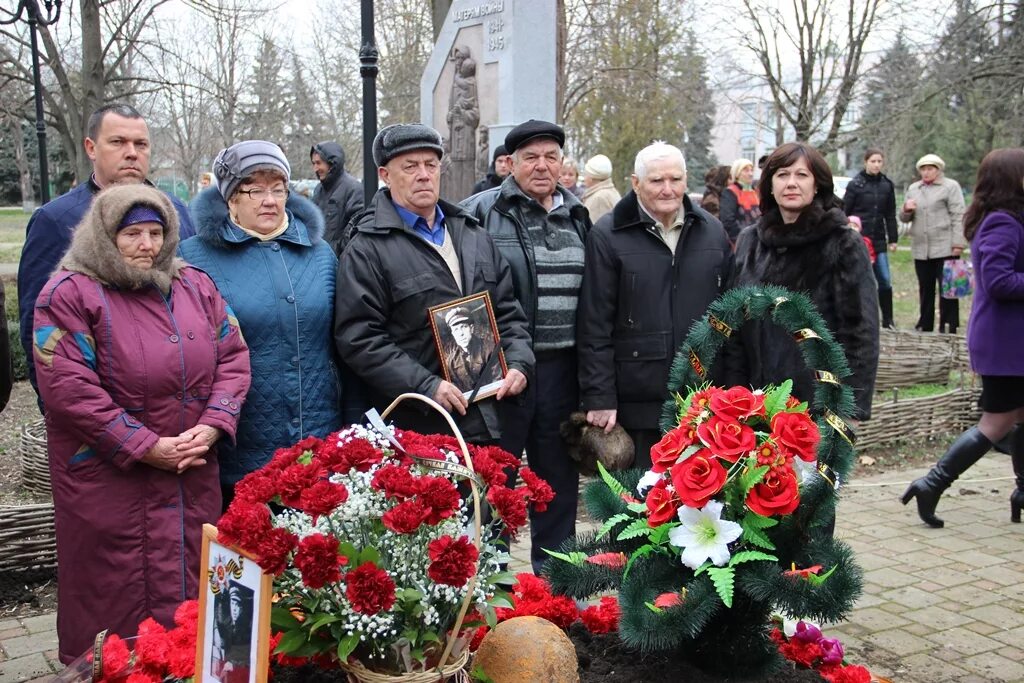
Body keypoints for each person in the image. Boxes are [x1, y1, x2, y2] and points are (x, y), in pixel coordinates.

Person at [33, 184, 250, 663]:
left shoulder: (195, 285)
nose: (147, 245)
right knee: (114, 599)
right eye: (132, 234)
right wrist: (145, 445)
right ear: (105, 235)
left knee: (190, 594)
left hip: (190, 472)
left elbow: (233, 356)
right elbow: (69, 388)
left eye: (156, 233)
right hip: (111, 481)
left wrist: (214, 424)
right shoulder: (69, 295)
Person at [335, 123, 533, 444]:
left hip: (495, 416)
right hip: (424, 425)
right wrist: (426, 386)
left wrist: (520, 364)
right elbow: (359, 338)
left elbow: (508, 312)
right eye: (410, 167)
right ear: (385, 175)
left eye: (431, 165)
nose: (424, 175)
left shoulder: (473, 234)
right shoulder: (367, 248)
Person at [181, 141, 343, 508]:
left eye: (278, 188)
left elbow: (342, 346)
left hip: (319, 445)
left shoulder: (319, 255)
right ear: (230, 198)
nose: (269, 200)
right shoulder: (193, 257)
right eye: (255, 189)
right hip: (240, 451)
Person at [461, 119, 591, 574]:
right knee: (495, 484)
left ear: (562, 163)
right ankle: (487, 594)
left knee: (556, 486)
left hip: (562, 369)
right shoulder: (479, 211)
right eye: (530, 157)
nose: (541, 166)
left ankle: (556, 593)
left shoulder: (579, 214)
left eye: (550, 156)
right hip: (503, 371)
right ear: (510, 163)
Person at [18, 103, 196, 403]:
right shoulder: (57, 219)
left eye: (140, 144)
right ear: (91, 147)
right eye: (118, 142)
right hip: (99, 412)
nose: (132, 153)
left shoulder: (176, 212)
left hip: (178, 407)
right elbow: (37, 332)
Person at [578, 142, 732, 468]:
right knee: (644, 505)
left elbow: (730, 315)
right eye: (656, 181)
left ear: (686, 180)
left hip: (704, 397)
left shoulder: (712, 233)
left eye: (675, 179)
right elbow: (594, 323)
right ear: (636, 183)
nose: (667, 189)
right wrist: (599, 397)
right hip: (639, 398)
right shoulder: (608, 236)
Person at [902, 148, 1024, 528]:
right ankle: (931, 483)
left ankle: (1022, 491)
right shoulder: (1001, 222)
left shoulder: (1009, 219)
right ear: (1011, 179)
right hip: (1006, 344)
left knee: (1020, 418)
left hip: (1013, 342)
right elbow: (999, 281)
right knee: (996, 423)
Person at [723, 141, 879, 421]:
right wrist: (736, 394)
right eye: (782, 175)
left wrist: (848, 407)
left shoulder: (842, 243)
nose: (791, 183)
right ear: (769, 185)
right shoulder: (750, 241)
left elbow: (860, 330)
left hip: (817, 406)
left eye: (801, 175)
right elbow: (735, 324)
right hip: (754, 403)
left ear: (817, 184)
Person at [901, 154, 967, 333]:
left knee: (949, 289)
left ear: (938, 170)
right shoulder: (914, 189)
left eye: (930, 168)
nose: (926, 172)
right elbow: (905, 218)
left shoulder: (950, 187)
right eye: (923, 169)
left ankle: (949, 324)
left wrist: (958, 243)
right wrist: (906, 210)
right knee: (925, 288)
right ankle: (925, 323)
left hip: (945, 246)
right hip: (922, 248)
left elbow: (958, 215)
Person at [844, 148, 899, 329]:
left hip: (879, 240)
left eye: (879, 161)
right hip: (859, 240)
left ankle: (888, 319)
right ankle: (860, 319)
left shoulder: (887, 185)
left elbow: (890, 214)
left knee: (884, 279)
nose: (876, 165)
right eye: (873, 161)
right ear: (866, 162)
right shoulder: (855, 184)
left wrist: (893, 238)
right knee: (859, 280)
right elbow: (845, 212)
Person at [310, 141, 364, 255]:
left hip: (341, 262)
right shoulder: (318, 190)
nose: (315, 168)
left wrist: (332, 251)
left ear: (332, 163)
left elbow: (356, 233)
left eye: (319, 163)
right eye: (313, 163)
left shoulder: (354, 190)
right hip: (318, 260)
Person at [442, 306, 502, 392]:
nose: (460, 334)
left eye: (463, 327)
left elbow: (498, 381)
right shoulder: (451, 362)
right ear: (453, 334)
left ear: (471, 328)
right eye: (456, 329)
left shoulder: (490, 349)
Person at [719, 158, 762, 245]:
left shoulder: (755, 191)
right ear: (737, 174)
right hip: (740, 243)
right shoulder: (730, 192)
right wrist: (743, 240)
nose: (750, 174)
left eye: (751, 170)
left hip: (758, 241)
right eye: (746, 171)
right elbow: (728, 221)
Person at [581, 154, 621, 223]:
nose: (584, 178)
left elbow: (593, 230)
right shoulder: (610, 191)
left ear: (591, 177)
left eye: (586, 174)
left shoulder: (598, 198)